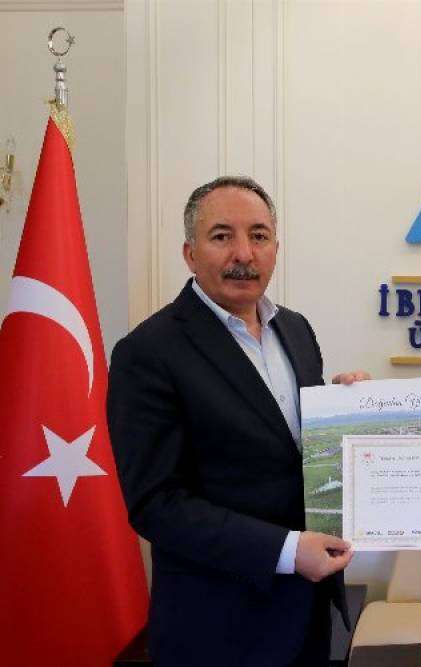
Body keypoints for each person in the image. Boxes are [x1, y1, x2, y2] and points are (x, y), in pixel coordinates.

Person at [108, 176, 370, 666]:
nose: (244, 254)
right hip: (217, 627)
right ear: (190, 253)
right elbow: (156, 503)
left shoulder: (296, 329)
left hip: (308, 614)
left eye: (259, 235)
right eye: (222, 236)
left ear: (276, 249)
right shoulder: (147, 352)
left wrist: (346, 412)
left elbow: (290, 451)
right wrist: (287, 551)